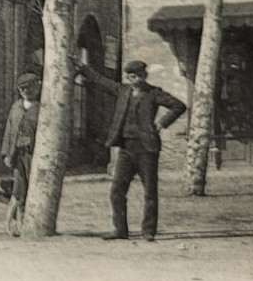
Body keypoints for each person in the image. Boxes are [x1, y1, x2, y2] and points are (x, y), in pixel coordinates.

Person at [78, 59, 187, 242]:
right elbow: (101, 81)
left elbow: (179, 106)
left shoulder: (154, 93)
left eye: (138, 76)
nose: (134, 79)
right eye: (130, 76)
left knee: (150, 192)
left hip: (147, 149)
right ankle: (120, 230)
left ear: (144, 76)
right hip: (126, 149)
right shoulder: (123, 91)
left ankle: (148, 231)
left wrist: (161, 123)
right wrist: (82, 68)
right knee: (116, 190)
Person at [0, 73, 41, 235]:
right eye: (21, 89)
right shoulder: (16, 107)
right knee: (19, 189)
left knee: (33, 187)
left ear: (36, 88)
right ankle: (13, 224)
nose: (25, 91)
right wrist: (6, 154)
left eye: (28, 88)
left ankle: (29, 224)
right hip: (18, 155)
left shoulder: (41, 107)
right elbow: (9, 131)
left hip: (33, 154)